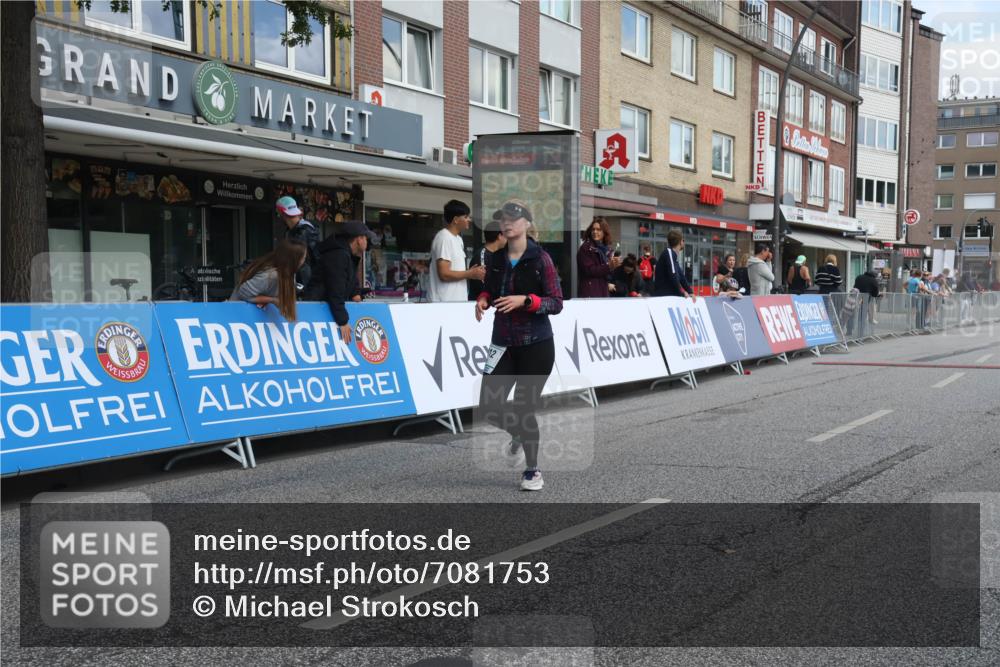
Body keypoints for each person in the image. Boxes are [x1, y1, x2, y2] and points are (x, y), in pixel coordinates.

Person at [475, 199, 563, 492]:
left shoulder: (541, 259)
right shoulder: (495, 259)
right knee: (489, 406)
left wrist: (525, 301)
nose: (507, 223)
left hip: (536, 345)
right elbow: (492, 287)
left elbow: (556, 303)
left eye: (513, 218)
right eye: (503, 219)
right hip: (501, 343)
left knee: (525, 408)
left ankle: (532, 470)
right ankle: (519, 435)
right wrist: (483, 299)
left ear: (526, 222)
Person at [306, 221, 373, 344]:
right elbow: (335, 289)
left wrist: (356, 293)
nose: (367, 242)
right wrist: (342, 321)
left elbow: (350, 280)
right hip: (317, 309)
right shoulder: (338, 255)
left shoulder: (347, 254)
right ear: (359, 239)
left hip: (325, 308)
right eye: (366, 238)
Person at [230, 239, 307, 320]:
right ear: (294, 260)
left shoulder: (288, 273)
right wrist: (272, 300)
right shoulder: (270, 275)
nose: (304, 261)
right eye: (303, 257)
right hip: (238, 316)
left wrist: (267, 300)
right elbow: (243, 293)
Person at [428, 200, 486, 302]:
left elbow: (455, 271)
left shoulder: (458, 239)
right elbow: (444, 274)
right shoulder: (444, 237)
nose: (469, 219)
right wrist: (469, 273)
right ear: (455, 219)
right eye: (466, 217)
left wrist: (471, 272)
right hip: (443, 303)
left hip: (456, 301)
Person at [276, 196, 319, 288]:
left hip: (305, 281)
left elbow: (298, 259)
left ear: (281, 212)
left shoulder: (303, 231)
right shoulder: (292, 230)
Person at [577, 217, 620, 297]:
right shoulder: (585, 248)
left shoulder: (607, 249)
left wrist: (615, 265)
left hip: (603, 291)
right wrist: (609, 266)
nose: (595, 232)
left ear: (604, 232)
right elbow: (589, 270)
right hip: (590, 292)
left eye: (598, 229)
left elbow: (608, 274)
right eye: (593, 229)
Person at [468, 211, 507, 299]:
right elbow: (484, 284)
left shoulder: (500, 255)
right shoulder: (482, 255)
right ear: (500, 235)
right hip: (480, 306)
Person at [653, 230, 696, 300]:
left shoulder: (673, 256)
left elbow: (681, 277)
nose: (684, 242)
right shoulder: (669, 253)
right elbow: (673, 276)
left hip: (669, 296)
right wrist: (681, 292)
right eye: (683, 240)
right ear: (680, 241)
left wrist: (690, 292)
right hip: (663, 297)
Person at [851, 268, 881, 336]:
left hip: (855, 298)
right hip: (865, 300)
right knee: (862, 317)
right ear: (875, 275)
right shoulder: (873, 280)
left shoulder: (859, 277)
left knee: (851, 314)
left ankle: (849, 331)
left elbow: (855, 286)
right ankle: (860, 333)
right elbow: (875, 293)